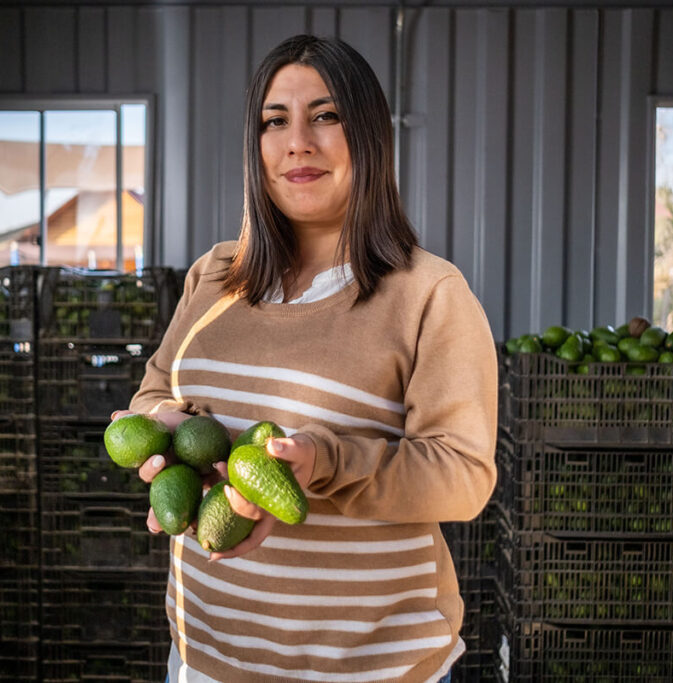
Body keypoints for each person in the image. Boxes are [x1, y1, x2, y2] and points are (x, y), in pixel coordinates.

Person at [116, 34, 497, 683]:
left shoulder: (429, 293)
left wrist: (325, 461)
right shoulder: (214, 276)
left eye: (326, 115)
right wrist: (175, 439)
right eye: (275, 121)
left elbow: (464, 475)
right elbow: (152, 396)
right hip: (207, 660)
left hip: (374, 669)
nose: (298, 142)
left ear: (369, 135)